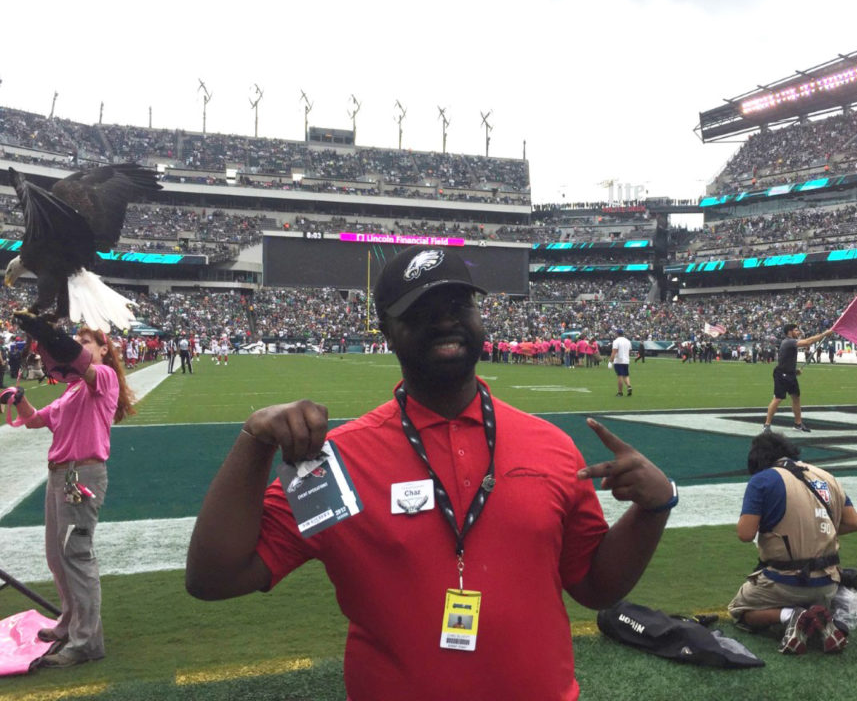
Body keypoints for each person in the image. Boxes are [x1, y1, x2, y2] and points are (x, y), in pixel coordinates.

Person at [186, 246, 676, 700]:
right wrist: (253, 443)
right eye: (421, 310)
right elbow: (215, 577)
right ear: (385, 328)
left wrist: (652, 509)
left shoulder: (550, 446)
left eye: (459, 304)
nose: (446, 320)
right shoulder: (337, 460)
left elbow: (594, 588)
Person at [3, 317, 136, 668]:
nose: (79, 345)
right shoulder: (72, 390)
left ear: (104, 349)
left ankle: (87, 641)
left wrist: (58, 341)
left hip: (83, 474)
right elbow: (34, 420)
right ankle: (68, 622)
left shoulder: (102, 378)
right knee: (55, 555)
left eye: (87, 341)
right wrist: (20, 400)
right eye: (76, 340)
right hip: (60, 476)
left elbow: (81, 363)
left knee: (76, 556)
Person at [728, 431, 857, 655]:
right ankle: (836, 621)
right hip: (827, 583)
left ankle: (791, 615)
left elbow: (745, 534)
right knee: (839, 584)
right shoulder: (827, 477)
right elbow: (853, 523)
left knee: (739, 609)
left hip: (784, 582)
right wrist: (814, 531)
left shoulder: (763, 480)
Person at [763, 323, 833, 433]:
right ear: (790, 332)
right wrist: (824, 334)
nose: (798, 332)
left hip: (790, 373)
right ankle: (767, 425)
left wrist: (794, 371)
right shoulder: (789, 341)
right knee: (777, 399)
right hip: (782, 374)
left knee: (796, 398)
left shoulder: (789, 342)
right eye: (796, 330)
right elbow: (807, 342)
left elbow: (786, 359)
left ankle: (798, 423)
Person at [611, 328, 632, 396]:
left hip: (618, 360)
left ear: (617, 334)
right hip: (626, 360)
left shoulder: (616, 341)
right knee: (626, 375)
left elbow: (614, 352)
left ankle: (620, 392)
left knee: (619, 376)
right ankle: (629, 386)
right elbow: (629, 352)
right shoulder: (628, 341)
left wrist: (611, 360)